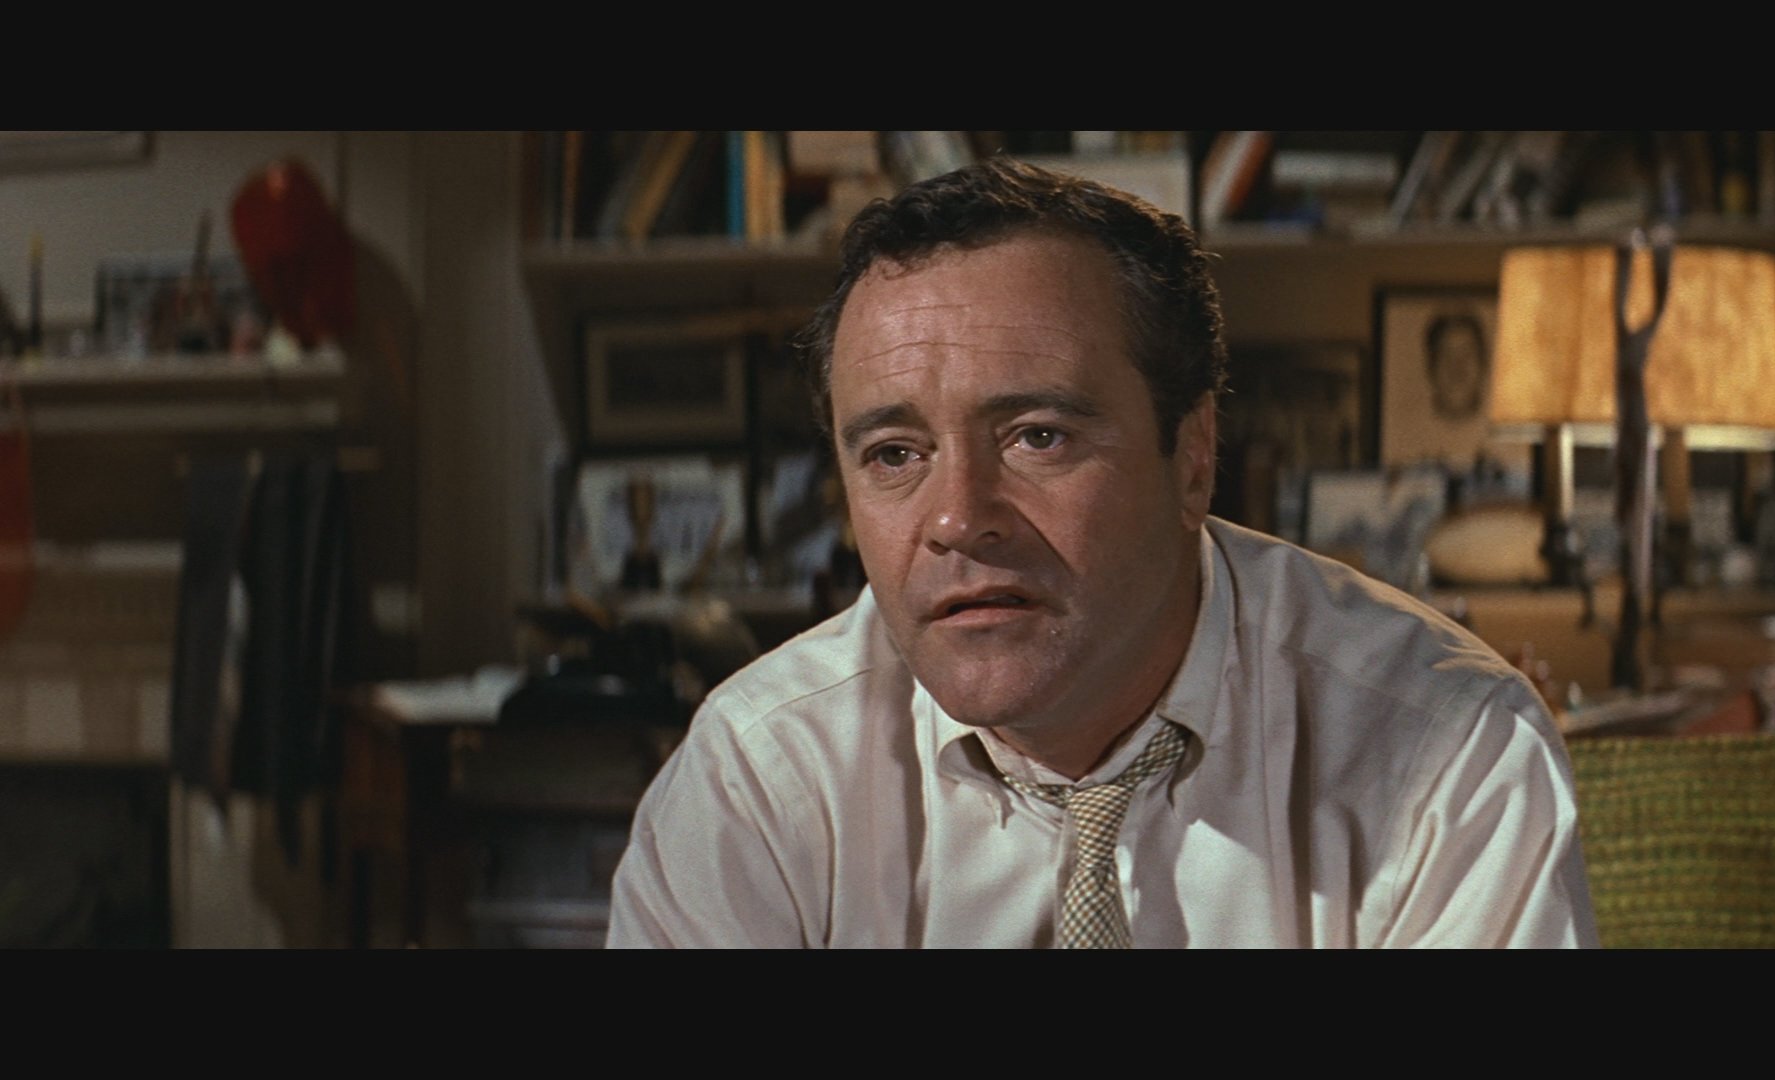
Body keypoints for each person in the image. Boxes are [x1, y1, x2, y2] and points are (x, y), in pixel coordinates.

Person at [606, 158, 1597, 948]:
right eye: (896, 454)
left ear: (1194, 458)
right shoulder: (759, 779)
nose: (957, 518)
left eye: (1037, 436)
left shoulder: (1444, 749)